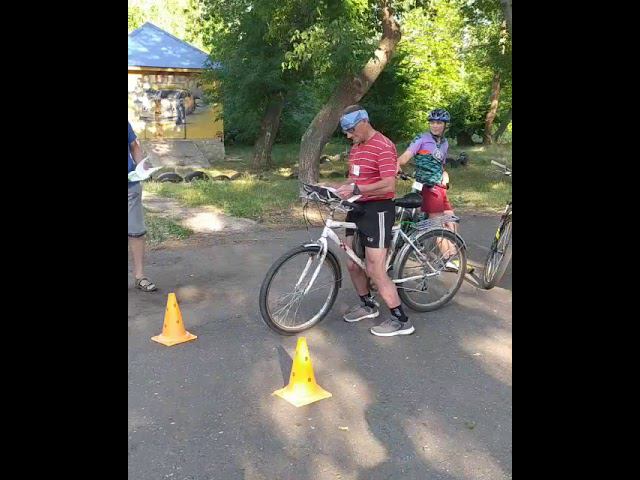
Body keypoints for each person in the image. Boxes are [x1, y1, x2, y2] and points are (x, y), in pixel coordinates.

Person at [333, 105, 414, 337]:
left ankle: (401, 320)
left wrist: (358, 189)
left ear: (364, 122)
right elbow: (354, 179)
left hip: (378, 209)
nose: (348, 135)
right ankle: (368, 305)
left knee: (374, 269)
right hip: (357, 206)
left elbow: (389, 185)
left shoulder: (383, 146)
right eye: (345, 131)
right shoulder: (357, 147)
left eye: (351, 130)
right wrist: (336, 188)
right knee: (352, 262)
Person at [397, 108, 460, 269]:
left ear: (445, 125)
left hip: (440, 188)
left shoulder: (444, 143)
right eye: (432, 122)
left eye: (439, 123)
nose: (435, 126)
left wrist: (445, 175)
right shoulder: (422, 139)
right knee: (436, 223)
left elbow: (441, 165)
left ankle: (450, 251)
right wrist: (396, 165)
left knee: (451, 220)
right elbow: (406, 156)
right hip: (427, 187)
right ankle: (449, 257)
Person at [128, 121, 157, 292]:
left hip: (130, 186)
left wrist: (141, 171)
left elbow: (134, 146)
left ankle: (140, 276)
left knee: (136, 231)